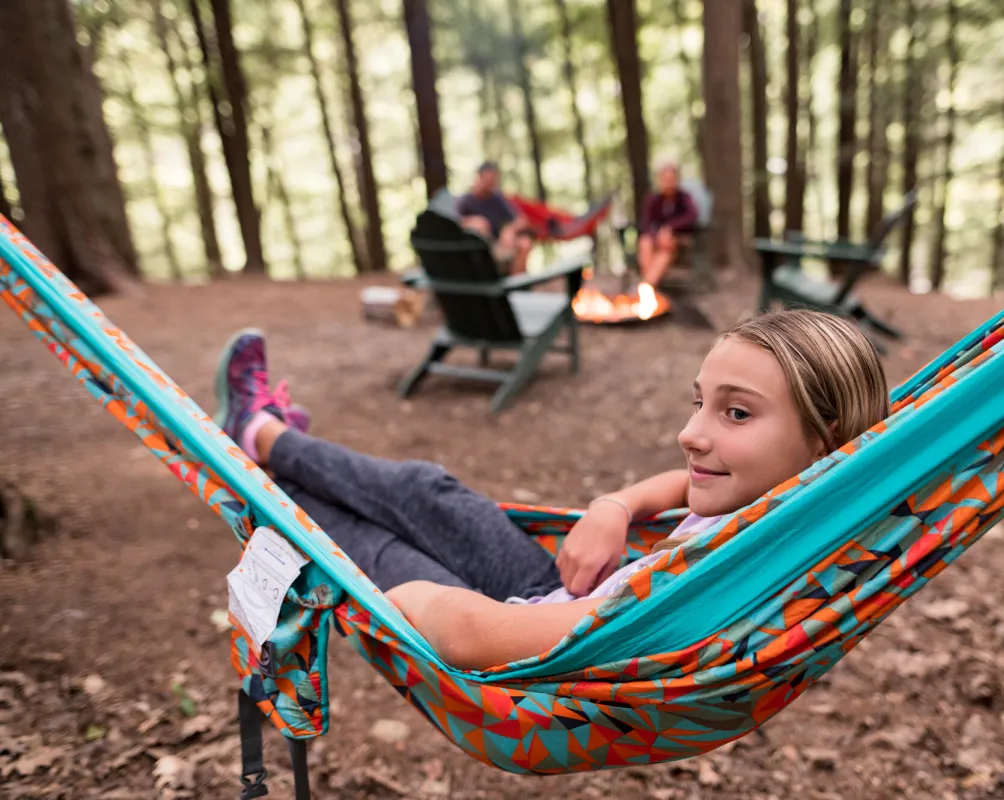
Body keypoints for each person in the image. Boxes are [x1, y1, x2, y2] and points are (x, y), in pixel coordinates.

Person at [212, 309, 889, 671]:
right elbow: (687, 480)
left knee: (369, 546)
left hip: (515, 636)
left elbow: (483, 637)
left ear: (825, 440)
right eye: (699, 403)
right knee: (425, 488)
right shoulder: (776, 508)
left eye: (735, 413)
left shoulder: (725, 577)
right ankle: (267, 441)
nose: (691, 433)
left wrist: (407, 602)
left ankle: (259, 458)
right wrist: (617, 505)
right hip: (562, 583)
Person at [455, 161, 534, 275]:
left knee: (524, 243)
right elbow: (452, 223)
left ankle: (515, 284)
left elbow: (522, 220)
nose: (491, 184)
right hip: (477, 250)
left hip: (499, 245)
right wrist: (473, 223)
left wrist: (509, 230)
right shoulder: (465, 201)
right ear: (479, 178)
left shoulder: (497, 198)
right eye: (488, 180)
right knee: (481, 225)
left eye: (494, 181)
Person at [637, 158, 700, 287]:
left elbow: (692, 216)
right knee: (645, 242)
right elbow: (647, 224)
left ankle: (647, 285)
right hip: (656, 240)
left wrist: (670, 228)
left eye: (672, 180)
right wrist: (656, 236)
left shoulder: (684, 198)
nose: (669, 184)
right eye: (665, 180)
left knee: (665, 248)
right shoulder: (653, 200)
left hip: (676, 241)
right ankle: (650, 285)